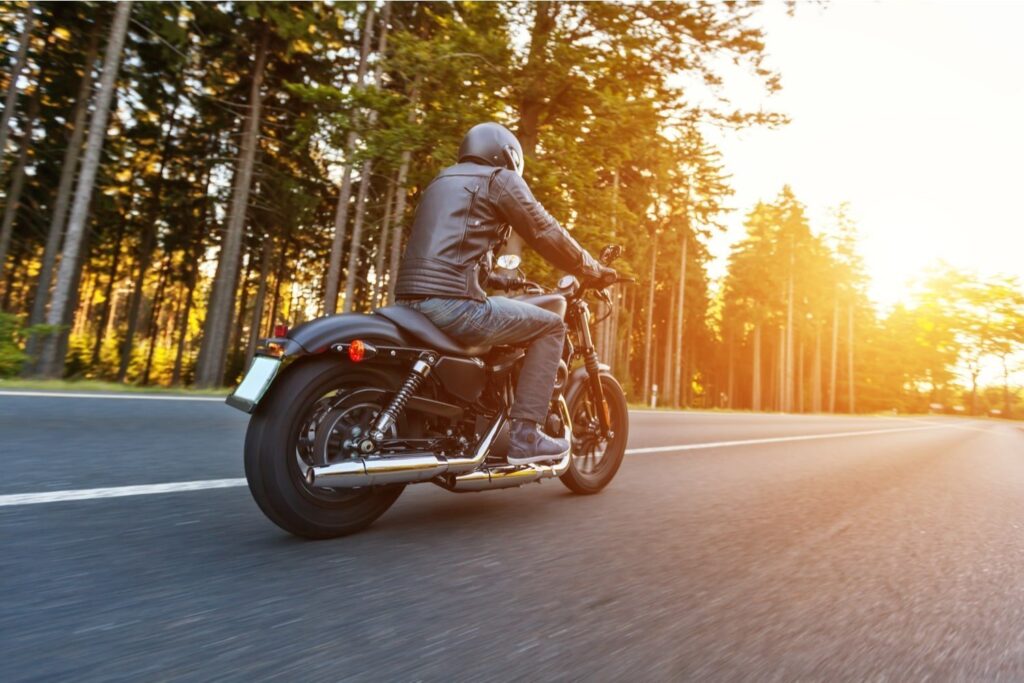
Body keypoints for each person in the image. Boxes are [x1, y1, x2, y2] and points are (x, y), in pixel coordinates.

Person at [395, 122, 616, 465]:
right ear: (508, 155)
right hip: (454, 305)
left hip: (411, 300)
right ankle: (525, 436)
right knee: (551, 327)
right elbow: (544, 231)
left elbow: (453, 249)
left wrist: (500, 278)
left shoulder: (442, 180)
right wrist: (592, 269)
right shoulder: (499, 179)